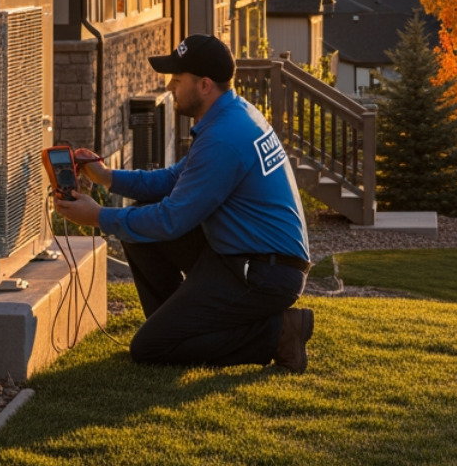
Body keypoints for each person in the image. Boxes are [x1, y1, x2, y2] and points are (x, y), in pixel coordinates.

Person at [53, 34, 315, 372]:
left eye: (178, 79)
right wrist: (107, 176)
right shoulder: (232, 114)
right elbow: (174, 180)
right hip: (241, 254)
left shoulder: (224, 137)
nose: (171, 85)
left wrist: (99, 216)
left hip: (264, 273)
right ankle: (175, 326)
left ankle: (280, 332)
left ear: (204, 85)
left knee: (149, 348)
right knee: (136, 226)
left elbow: (171, 220)